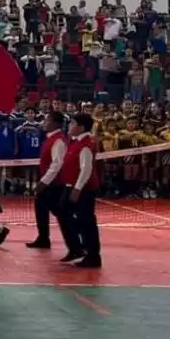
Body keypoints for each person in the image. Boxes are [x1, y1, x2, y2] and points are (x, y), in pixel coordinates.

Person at [60, 112, 102, 268]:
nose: (69, 126)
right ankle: (77, 247)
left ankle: (92, 256)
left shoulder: (85, 145)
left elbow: (86, 169)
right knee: (63, 212)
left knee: (87, 221)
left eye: (72, 123)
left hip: (83, 189)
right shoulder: (75, 142)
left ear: (81, 127)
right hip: (71, 186)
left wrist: (77, 189)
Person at [29, 111, 74, 252]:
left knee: (61, 213)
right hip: (50, 183)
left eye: (47, 120)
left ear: (56, 123)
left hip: (55, 184)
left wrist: (43, 182)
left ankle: (76, 243)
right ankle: (43, 237)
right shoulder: (50, 138)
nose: (44, 123)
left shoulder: (59, 140)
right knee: (41, 206)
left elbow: (57, 164)